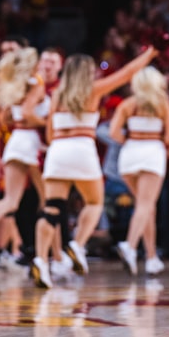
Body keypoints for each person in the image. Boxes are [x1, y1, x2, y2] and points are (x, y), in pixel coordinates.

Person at [31, 45, 158, 289]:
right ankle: (77, 245)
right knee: (94, 203)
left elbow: (48, 133)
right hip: (82, 148)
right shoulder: (94, 90)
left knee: (52, 208)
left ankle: (40, 259)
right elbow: (127, 72)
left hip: (57, 150)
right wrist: (150, 55)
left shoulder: (56, 95)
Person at [0, 48, 47, 259]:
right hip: (31, 143)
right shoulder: (36, 83)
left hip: (14, 142)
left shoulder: (11, 87)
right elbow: (25, 114)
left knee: (11, 200)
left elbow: (2, 118)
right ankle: (53, 256)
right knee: (48, 201)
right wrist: (47, 122)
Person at [110, 67, 169, 276]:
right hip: (151, 154)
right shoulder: (162, 104)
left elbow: (113, 132)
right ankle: (130, 246)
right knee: (145, 205)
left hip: (129, 155)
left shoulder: (128, 104)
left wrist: (130, 139)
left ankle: (151, 257)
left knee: (146, 207)